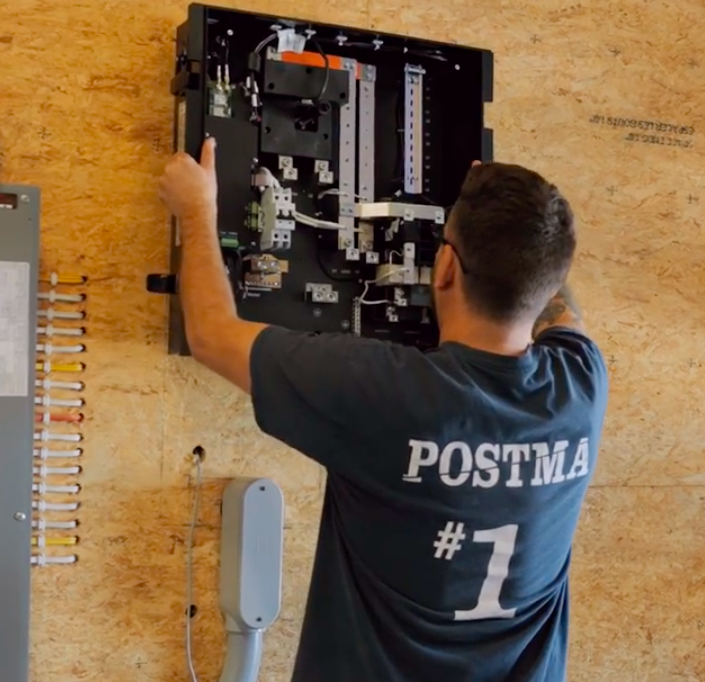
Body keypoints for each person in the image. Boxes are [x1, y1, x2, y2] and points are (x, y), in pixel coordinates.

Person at [157, 138, 608, 682]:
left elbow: (210, 335)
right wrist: (513, 224)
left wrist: (195, 210)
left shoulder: (386, 394)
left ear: (445, 267)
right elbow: (558, 304)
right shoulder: (580, 387)